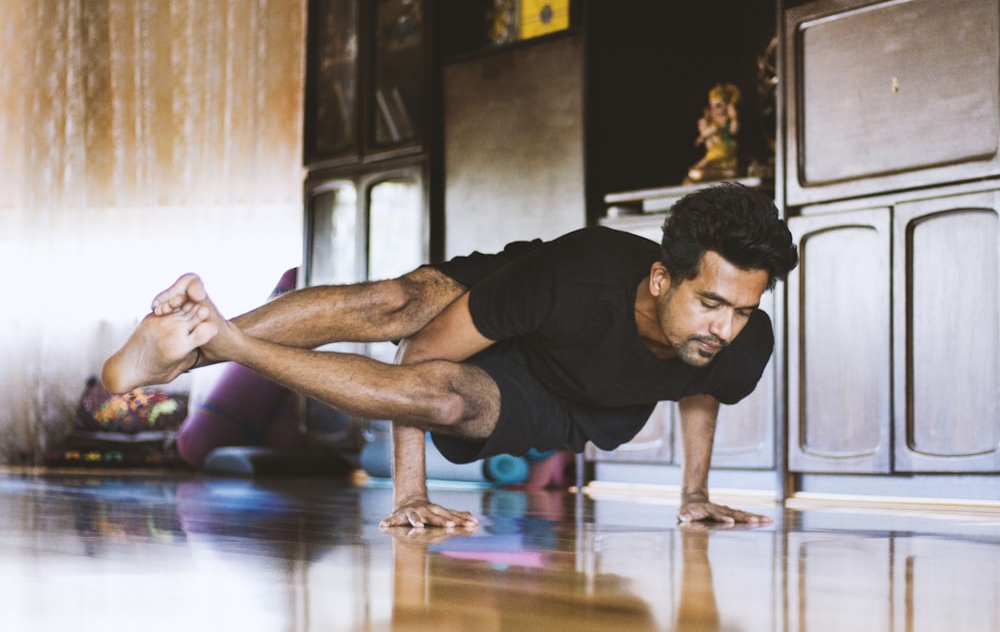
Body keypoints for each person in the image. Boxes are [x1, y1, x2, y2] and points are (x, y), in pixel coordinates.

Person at [102, 182, 798, 528]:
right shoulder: (571, 276)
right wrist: (411, 492)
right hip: (526, 304)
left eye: (742, 308)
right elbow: (420, 347)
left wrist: (695, 493)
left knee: (445, 398)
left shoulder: (740, 333)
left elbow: (707, 381)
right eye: (710, 303)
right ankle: (194, 345)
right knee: (394, 304)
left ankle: (212, 340)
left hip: (561, 399)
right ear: (660, 278)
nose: (726, 326)